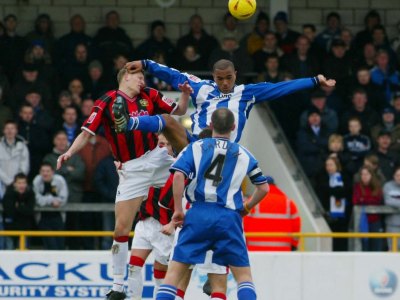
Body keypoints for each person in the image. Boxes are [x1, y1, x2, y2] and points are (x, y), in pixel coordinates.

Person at [56, 68, 192, 300]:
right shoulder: (106, 101)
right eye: (139, 77)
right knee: (120, 228)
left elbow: (179, 111)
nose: (143, 80)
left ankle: (194, 152)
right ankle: (118, 285)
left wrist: (185, 95)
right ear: (125, 77)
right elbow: (87, 132)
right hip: (131, 169)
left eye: (143, 77)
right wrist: (69, 152)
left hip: (156, 158)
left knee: (192, 181)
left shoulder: (149, 94)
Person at [156, 108, 269, 300]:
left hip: (198, 213)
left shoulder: (196, 147)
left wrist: (178, 210)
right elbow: (263, 188)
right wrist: (245, 209)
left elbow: (178, 175)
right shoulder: (244, 153)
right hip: (228, 216)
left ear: (210, 125)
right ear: (233, 127)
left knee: (173, 275)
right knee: (243, 277)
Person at [122, 58, 335, 148]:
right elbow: (173, 75)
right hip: (193, 142)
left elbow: (281, 87)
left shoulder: (246, 93)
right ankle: (128, 123)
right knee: (166, 121)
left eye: (229, 78)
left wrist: (315, 80)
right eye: (219, 78)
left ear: (236, 74)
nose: (224, 83)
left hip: (225, 148)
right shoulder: (201, 87)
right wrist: (146, 64)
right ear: (213, 76)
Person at [127, 134, 175, 300]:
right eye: (160, 144)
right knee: (133, 266)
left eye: (167, 144)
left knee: (160, 273)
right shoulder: (145, 163)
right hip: (145, 222)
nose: (163, 147)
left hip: (165, 227)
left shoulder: (178, 169)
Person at [243, 181, 301, 251]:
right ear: (275, 186)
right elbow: (296, 226)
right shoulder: (288, 203)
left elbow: (244, 224)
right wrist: (294, 244)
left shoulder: (252, 202)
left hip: (255, 251)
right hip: (282, 251)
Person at [33, 162, 68, 250]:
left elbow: (63, 199)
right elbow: (37, 199)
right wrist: (51, 200)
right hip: (43, 218)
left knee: (60, 245)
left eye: (48, 171)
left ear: (52, 172)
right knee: (50, 245)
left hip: (58, 217)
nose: (45, 173)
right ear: (40, 172)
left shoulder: (60, 180)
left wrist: (47, 200)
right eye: (43, 171)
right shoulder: (36, 181)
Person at [2, 173, 35, 249]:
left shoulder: (30, 194)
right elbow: (10, 212)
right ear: (14, 184)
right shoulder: (8, 194)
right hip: (10, 230)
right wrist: (23, 207)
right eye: (19, 183)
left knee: (24, 254)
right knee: (9, 253)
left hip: (25, 229)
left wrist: (18, 206)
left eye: (23, 183)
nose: (21, 185)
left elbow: (30, 211)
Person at [383, 167, 400, 250]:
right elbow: (388, 201)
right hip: (392, 224)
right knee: (393, 250)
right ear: (393, 176)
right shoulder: (388, 186)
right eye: (397, 175)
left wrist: (396, 202)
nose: (399, 177)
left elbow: (393, 201)